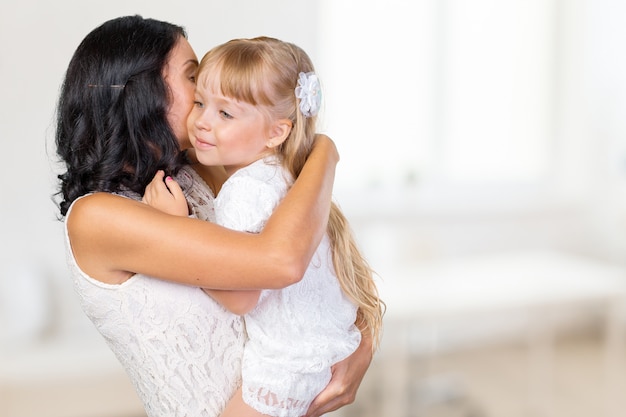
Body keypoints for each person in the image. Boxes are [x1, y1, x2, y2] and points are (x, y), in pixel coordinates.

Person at [54, 15, 372, 417]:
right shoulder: (97, 217)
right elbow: (283, 262)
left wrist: (364, 338)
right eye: (193, 77)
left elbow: (327, 257)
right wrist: (324, 149)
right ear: (142, 94)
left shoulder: (206, 170)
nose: (207, 86)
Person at [143, 36, 384, 417]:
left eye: (226, 114)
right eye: (202, 103)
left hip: (281, 370)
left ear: (276, 132)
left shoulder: (246, 190)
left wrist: (179, 227)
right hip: (319, 351)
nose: (202, 122)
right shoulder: (287, 176)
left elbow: (242, 298)